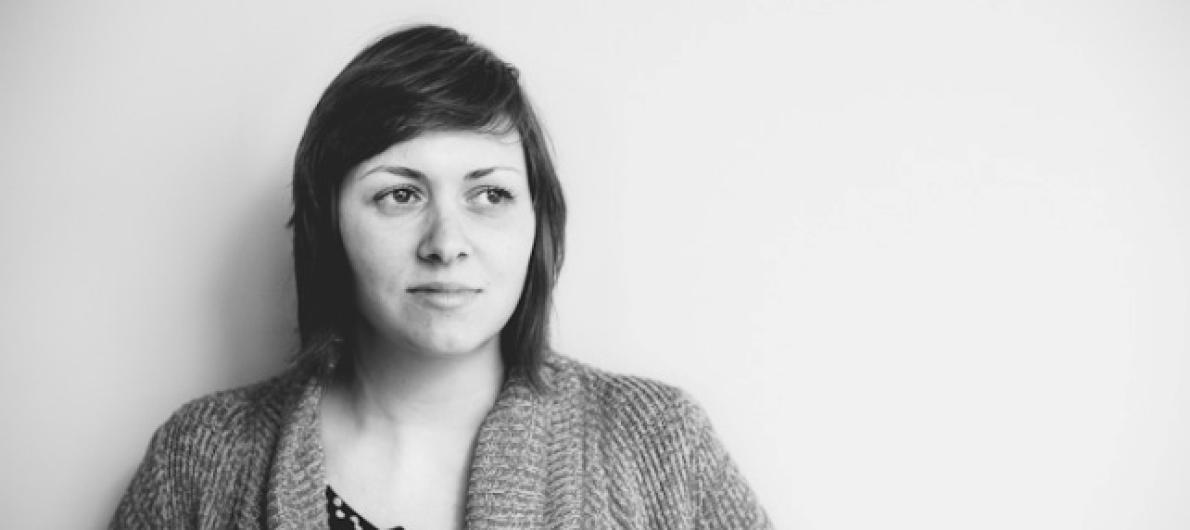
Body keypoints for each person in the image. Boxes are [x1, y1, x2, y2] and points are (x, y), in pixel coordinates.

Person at [111, 24, 771, 529]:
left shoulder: (660, 445)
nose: (447, 244)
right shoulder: (197, 462)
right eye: (399, 195)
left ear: (537, 223)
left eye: (490, 195)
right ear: (326, 225)